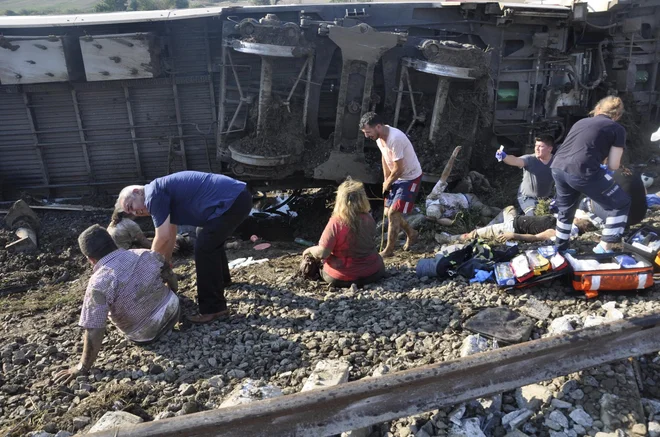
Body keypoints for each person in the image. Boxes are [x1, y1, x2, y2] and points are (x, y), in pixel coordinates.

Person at [115, 171, 252, 324]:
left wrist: (150, 268)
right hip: (237, 197)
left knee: (204, 247)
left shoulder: (153, 195)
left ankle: (214, 309)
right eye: (131, 212)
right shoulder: (158, 192)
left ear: (137, 192)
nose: (135, 212)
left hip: (233, 200)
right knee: (207, 237)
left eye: (131, 206)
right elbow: (170, 234)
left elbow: (162, 237)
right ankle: (222, 281)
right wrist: (165, 265)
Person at [53, 225, 179, 384]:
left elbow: (94, 328)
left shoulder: (99, 283)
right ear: (112, 242)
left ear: (90, 259)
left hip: (146, 334)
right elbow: (169, 274)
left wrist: (82, 367)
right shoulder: (145, 253)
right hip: (174, 311)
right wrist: (174, 293)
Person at [550, 96, 631, 253]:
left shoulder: (581, 122)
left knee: (566, 210)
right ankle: (604, 248)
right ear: (618, 115)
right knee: (621, 202)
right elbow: (613, 165)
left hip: (558, 167)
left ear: (598, 109)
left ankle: (560, 250)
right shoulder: (617, 129)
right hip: (583, 170)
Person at [359, 112, 423, 257]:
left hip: (409, 177)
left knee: (393, 212)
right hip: (397, 177)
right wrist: (385, 179)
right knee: (388, 212)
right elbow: (385, 157)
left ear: (378, 127)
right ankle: (412, 233)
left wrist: (389, 182)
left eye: (368, 132)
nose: (366, 136)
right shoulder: (379, 138)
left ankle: (389, 250)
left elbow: (399, 169)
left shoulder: (395, 139)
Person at [302, 178, 385, 287]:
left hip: (341, 276)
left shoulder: (336, 222)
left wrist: (309, 250)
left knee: (311, 261)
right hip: (373, 273)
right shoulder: (369, 218)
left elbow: (323, 253)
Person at [435, 206, 596, 244]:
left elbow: (535, 237)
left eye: (577, 217)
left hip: (511, 228)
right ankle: (487, 227)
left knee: (473, 235)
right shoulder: (562, 221)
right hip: (514, 219)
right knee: (508, 208)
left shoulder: (562, 231)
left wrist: (514, 236)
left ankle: (448, 239)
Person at [426, 146, 500, 225]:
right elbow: (450, 222)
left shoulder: (433, 196)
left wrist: (452, 157)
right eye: (442, 211)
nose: (444, 209)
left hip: (468, 199)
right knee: (486, 220)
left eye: (441, 208)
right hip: (468, 212)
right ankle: (501, 218)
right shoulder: (436, 216)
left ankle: (505, 213)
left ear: (436, 204)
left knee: (487, 212)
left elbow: (444, 175)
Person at [496, 135, 555, 215]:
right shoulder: (530, 159)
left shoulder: (556, 161)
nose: (536, 149)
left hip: (546, 199)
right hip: (527, 197)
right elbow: (516, 160)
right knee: (533, 217)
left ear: (550, 149)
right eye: (536, 146)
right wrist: (504, 156)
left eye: (540, 146)